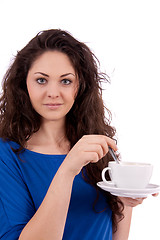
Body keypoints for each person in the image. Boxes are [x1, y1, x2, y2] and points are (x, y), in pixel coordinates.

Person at [0, 29, 154, 240]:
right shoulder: (7, 155)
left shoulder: (96, 146)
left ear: (79, 86)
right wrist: (67, 170)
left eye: (65, 81)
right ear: (23, 84)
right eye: (41, 80)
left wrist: (126, 201)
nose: (53, 93)